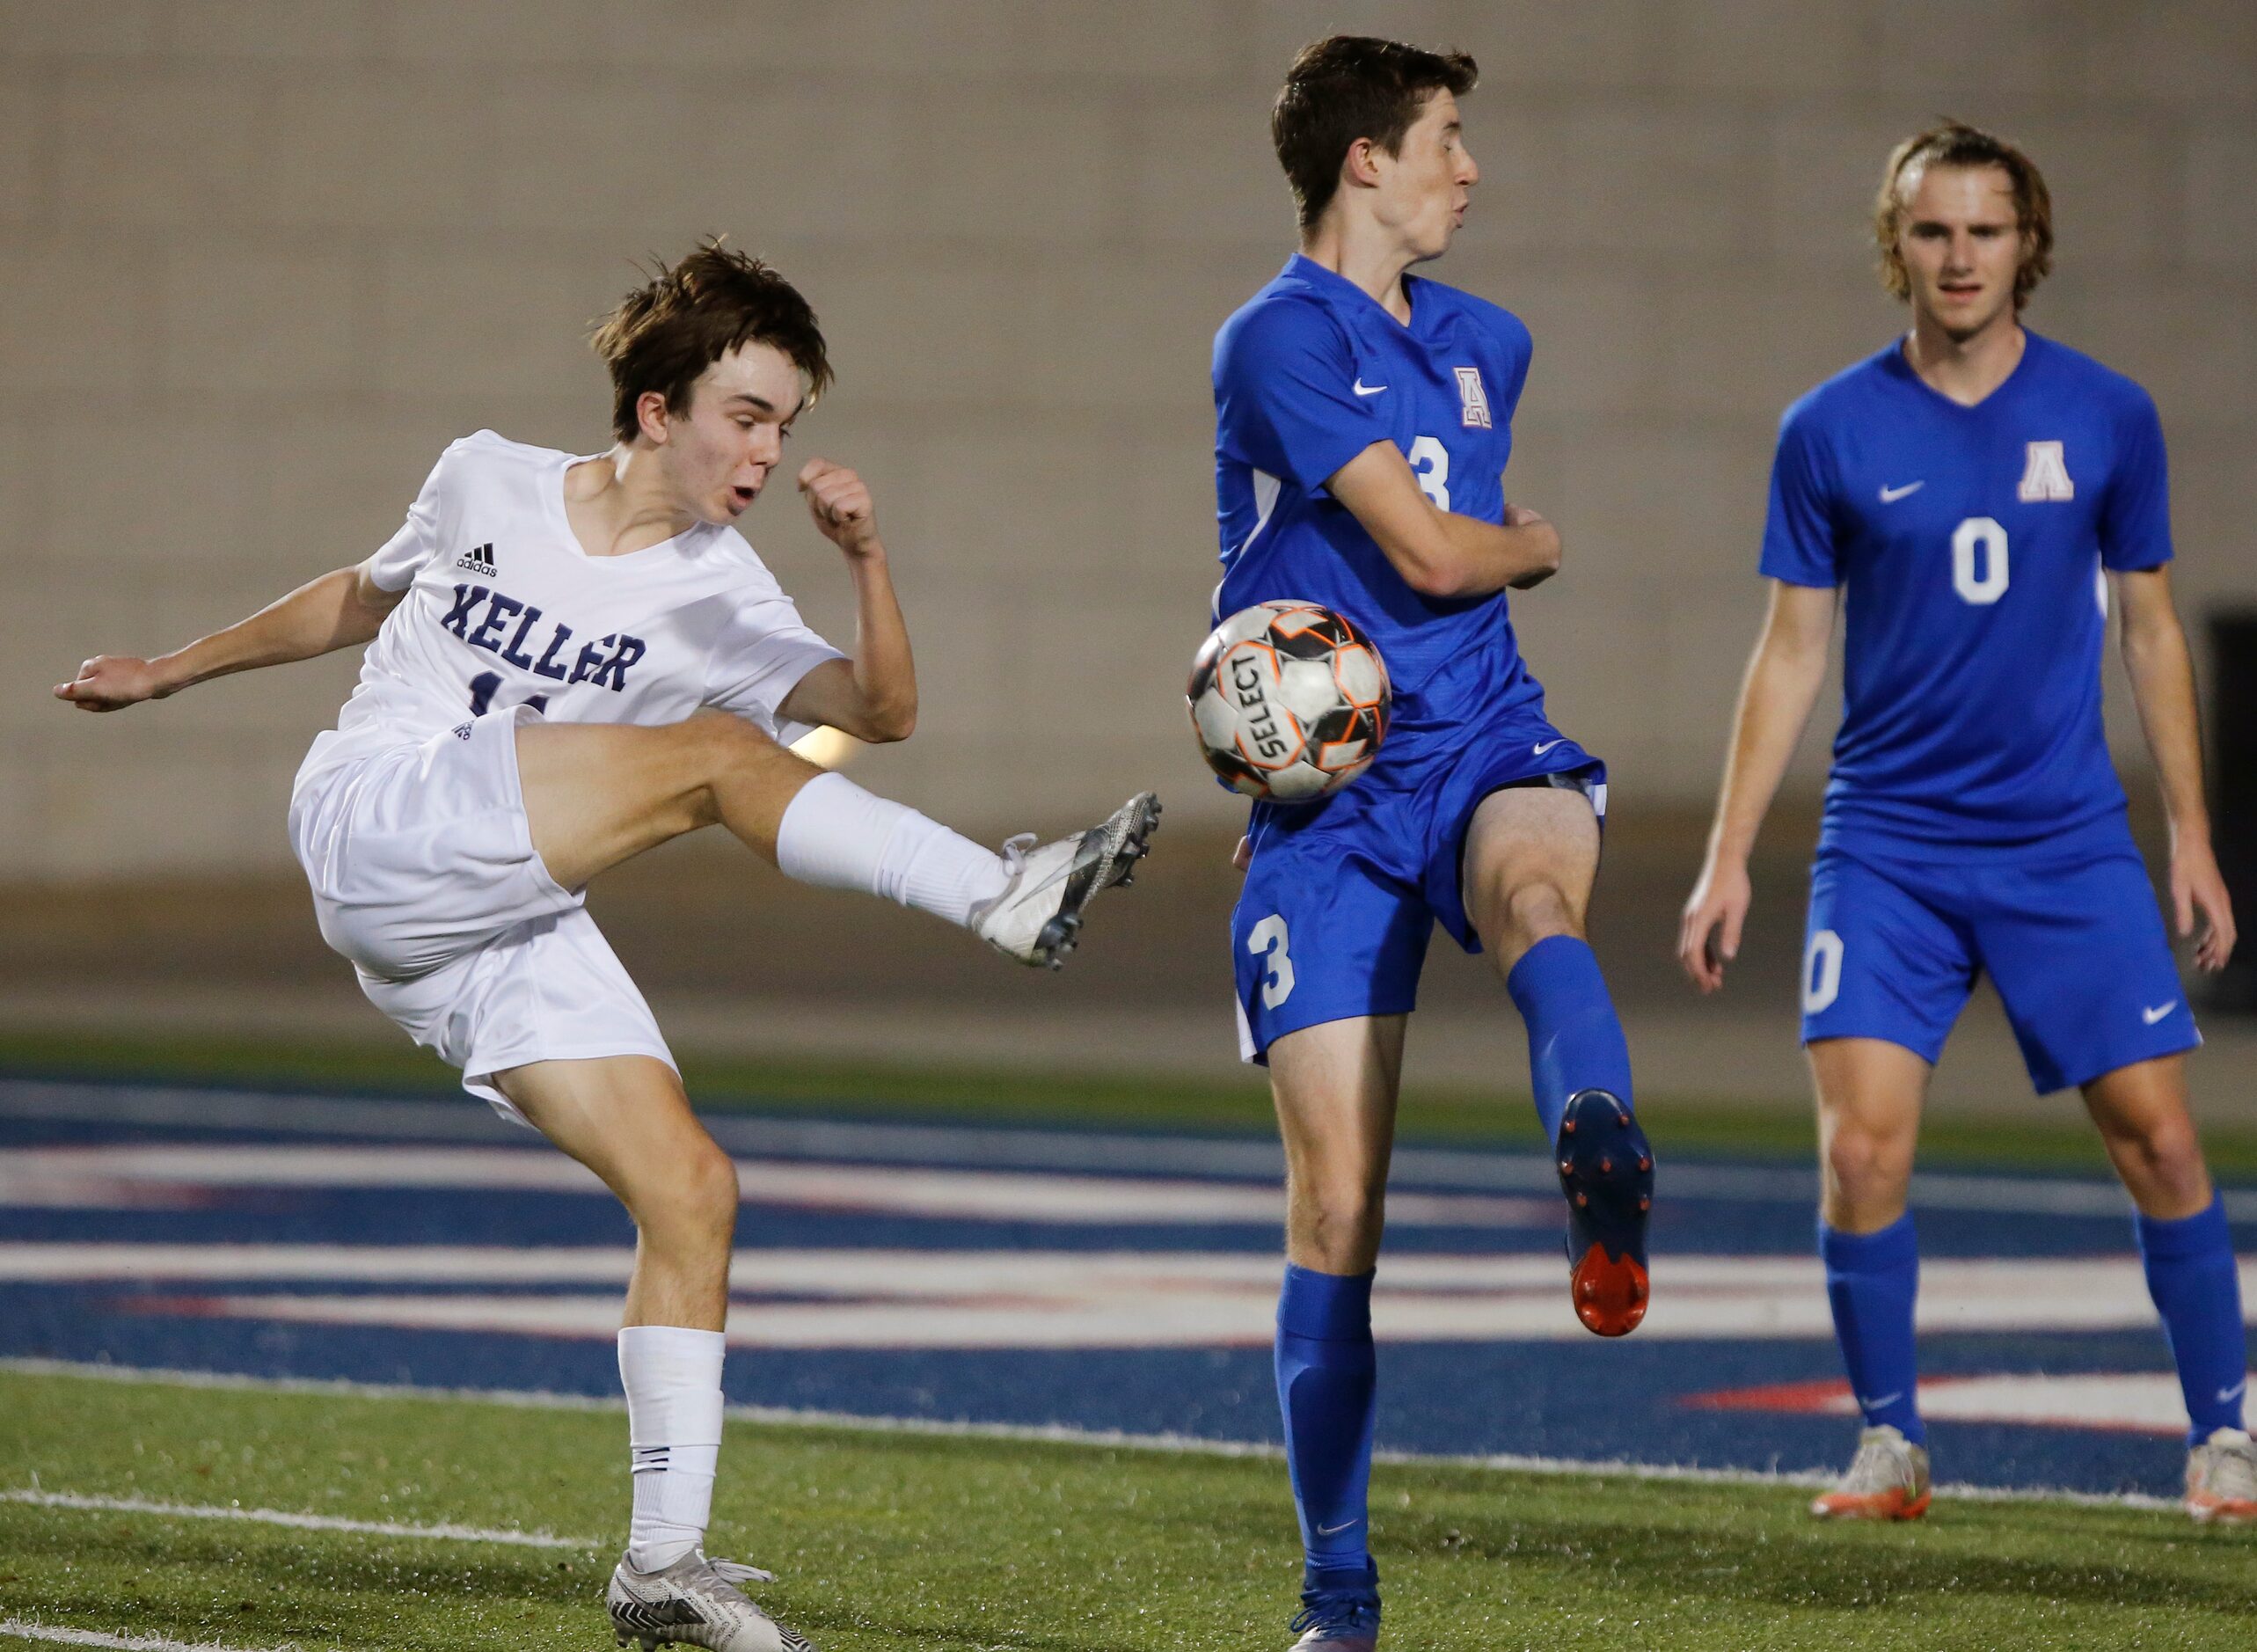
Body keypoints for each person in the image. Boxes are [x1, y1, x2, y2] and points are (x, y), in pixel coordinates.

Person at [54, 242, 1160, 1649]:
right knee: (710, 754)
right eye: (746, 416)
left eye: (784, 426)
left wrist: (867, 559)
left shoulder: (728, 589)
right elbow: (362, 592)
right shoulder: (486, 477)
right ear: (657, 409)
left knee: (692, 1188)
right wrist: (170, 667)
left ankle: (662, 1569)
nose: (765, 452)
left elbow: (879, 712)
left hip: (491, 918)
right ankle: (994, 894)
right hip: (380, 817)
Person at [1677, 121, 2253, 1525]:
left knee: (2163, 1142)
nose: (1957, 257)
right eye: (1931, 231)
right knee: (1859, 1146)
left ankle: (2224, 1434)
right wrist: (1725, 853)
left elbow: (2150, 627)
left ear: (2025, 245)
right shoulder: (1827, 428)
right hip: (1887, 846)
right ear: (1897, 243)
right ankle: (1887, 1441)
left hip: (2061, 842)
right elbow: (1792, 653)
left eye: (1983, 231)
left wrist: (2186, 830)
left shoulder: (2106, 414)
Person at [1213, 38, 1654, 1648]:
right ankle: (1339, 1583)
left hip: (1484, 735)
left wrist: (1493, 559)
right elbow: (1433, 546)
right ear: (1364, 165)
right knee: (1337, 1209)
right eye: (1445, 141)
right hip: (1329, 798)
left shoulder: (1490, 339)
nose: (1468, 169)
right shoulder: (1274, 338)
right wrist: (1531, 541)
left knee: (1538, 884)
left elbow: (1442, 564)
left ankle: (1601, 1159)